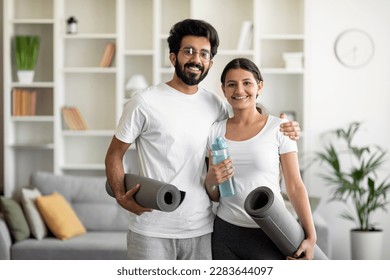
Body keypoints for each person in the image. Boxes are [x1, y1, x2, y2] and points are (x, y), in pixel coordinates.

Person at [105, 19, 300, 260]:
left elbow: (247, 125)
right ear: (173, 57)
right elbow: (114, 154)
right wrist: (121, 197)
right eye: (188, 51)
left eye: (203, 54)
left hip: (201, 229)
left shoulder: (216, 105)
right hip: (151, 229)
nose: (196, 59)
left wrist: (285, 127)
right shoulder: (144, 102)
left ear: (210, 62)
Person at [204, 57, 316, 260]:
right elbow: (215, 195)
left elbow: (294, 186)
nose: (239, 90)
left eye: (247, 83)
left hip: (270, 230)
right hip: (225, 232)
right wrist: (211, 180)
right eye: (232, 84)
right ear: (224, 89)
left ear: (259, 86)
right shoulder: (215, 131)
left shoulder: (279, 128)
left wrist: (311, 236)